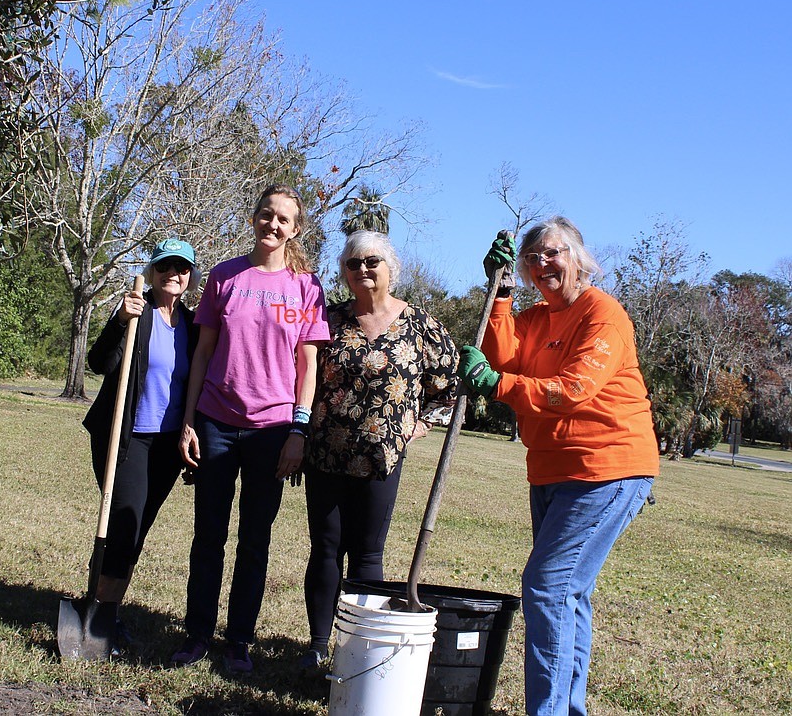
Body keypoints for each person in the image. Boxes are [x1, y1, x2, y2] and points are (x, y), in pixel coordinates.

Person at [459, 217, 659, 716]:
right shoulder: (537, 318)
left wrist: (498, 387)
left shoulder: (602, 313)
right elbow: (501, 355)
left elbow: (571, 390)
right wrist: (500, 292)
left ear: (579, 258)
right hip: (550, 469)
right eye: (532, 258)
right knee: (568, 594)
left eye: (553, 252)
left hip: (606, 468)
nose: (543, 263)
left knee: (547, 588)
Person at [172, 184, 330, 674]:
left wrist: (298, 432)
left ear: (295, 229)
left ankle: (238, 640)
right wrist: (189, 420)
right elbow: (201, 353)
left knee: (254, 541)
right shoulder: (224, 277)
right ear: (254, 219)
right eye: (266, 215)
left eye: (284, 219)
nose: (273, 225)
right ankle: (197, 634)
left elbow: (309, 369)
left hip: (273, 432)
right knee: (208, 537)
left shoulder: (307, 288)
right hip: (216, 423)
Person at [299, 230, 458, 669]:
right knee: (326, 547)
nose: (363, 269)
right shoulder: (327, 320)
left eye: (372, 261)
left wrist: (420, 422)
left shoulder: (422, 325)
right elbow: (305, 373)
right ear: (344, 274)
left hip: (380, 459)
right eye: (353, 264)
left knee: (368, 552)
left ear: (391, 268)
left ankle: (358, 649)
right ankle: (316, 645)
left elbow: (449, 382)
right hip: (326, 453)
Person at [81, 238, 201, 649]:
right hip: (126, 437)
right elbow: (99, 364)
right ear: (152, 272)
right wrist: (117, 321)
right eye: (165, 266)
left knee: (136, 531)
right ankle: (100, 618)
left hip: (166, 447)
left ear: (190, 277)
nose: (174, 274)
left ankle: (106, 609)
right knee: (125, 524)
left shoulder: (191, 325)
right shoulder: (137, 311)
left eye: (182, 268)